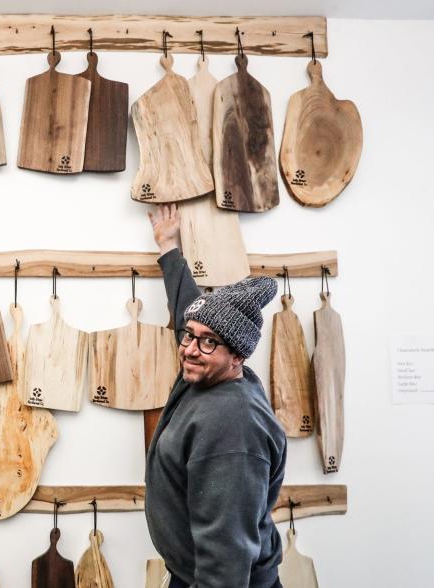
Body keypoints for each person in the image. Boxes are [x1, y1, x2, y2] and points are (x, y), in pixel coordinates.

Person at [144, 204, 288, 588]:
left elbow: (227, 552)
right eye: (190, 335)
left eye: (208, 342)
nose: (190, 348)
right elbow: (188, 312)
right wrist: (168, 247)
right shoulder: (209, 370)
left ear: (238, 355)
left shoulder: (232, 425)